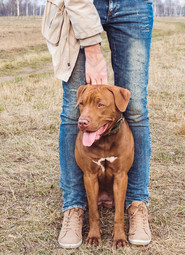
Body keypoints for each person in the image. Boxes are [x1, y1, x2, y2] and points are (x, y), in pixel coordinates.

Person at [42, 0, 153, 248]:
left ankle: (136, 203)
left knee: (135, 109)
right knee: (74, 112)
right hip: (78, 5)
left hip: (133, 6)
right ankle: (73, 206)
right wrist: (92, 50)